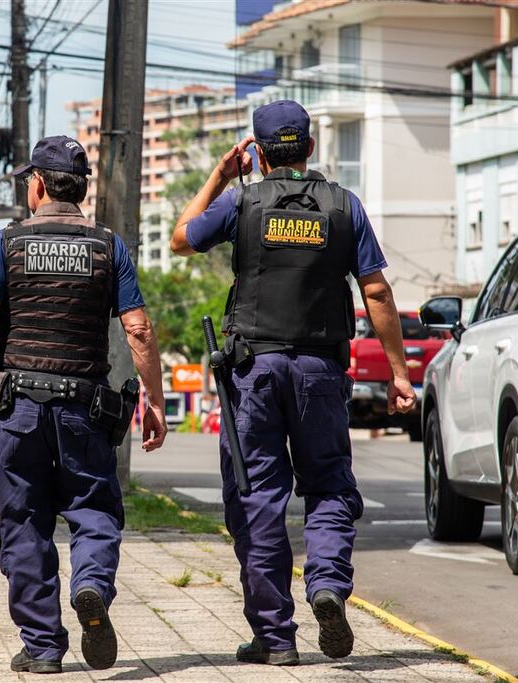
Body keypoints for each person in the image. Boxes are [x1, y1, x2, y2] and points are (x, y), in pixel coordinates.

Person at [169, 100, 415, 666]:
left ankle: (276, 638)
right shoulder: (344, 206)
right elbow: (377, 292)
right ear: (310, 147)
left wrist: (220, 175)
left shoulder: (241, 201)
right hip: (320, 373)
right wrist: (399, 374)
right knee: (328, 486)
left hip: (253, 373)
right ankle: (326, 584)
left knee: (257, 498)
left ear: (257, 153)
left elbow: (181, 239)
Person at [0, 135, 168, 675]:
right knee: (94, 510)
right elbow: (138, 328)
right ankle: (91, 585)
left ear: (37, 184)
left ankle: (42, 647)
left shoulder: (9, 243)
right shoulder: (108, 246)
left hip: (18, 409)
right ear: (80, 187)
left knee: (25, 521)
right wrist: (154, 401)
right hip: (84, 409)